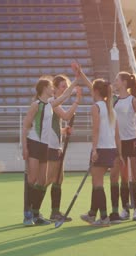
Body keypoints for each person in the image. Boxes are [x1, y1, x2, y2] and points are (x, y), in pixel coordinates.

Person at [22, 75, 77, 226]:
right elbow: (26, 125)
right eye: (51, 86)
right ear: (44, 88)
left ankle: (36, 213)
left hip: (45, 146)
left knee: (42, 180)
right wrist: (24, 147)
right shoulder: (36, 105)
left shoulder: (50, 104)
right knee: (32, 179)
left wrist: (77, 81)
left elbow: (65, 96)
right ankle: (28, 213)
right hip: (34, 144)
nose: (53, 88)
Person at [79, 79, 123, 227]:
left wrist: (94, 149)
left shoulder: (96, 107)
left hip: (102, 148)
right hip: (111, 150)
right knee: (96, 182)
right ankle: (92, 214)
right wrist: (119, 153)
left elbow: (96, 129)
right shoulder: (111, 108)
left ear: (95, 91)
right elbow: (117, 135)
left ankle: (104, 217)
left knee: (98, 184)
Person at [111, 71, 136, 224]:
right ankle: (125, 210)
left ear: (124, 83)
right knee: (123, 178)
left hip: (132, 142)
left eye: (117, 80)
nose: (115, 82)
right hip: (119, 143)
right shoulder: (114, 100)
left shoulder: (133, 100)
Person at [45, 75, 82, 222]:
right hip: (51, 145)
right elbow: (66, 116)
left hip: (56, 144)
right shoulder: (52, 102)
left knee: (59, 178)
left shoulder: (55, 104)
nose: (65, 90)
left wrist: (63, 131)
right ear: (55, 88)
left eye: (66, 87)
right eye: (63, 87)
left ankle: (55, 212)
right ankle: (32, 208)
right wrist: (77, 101)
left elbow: (55, 125)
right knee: (49, 179)